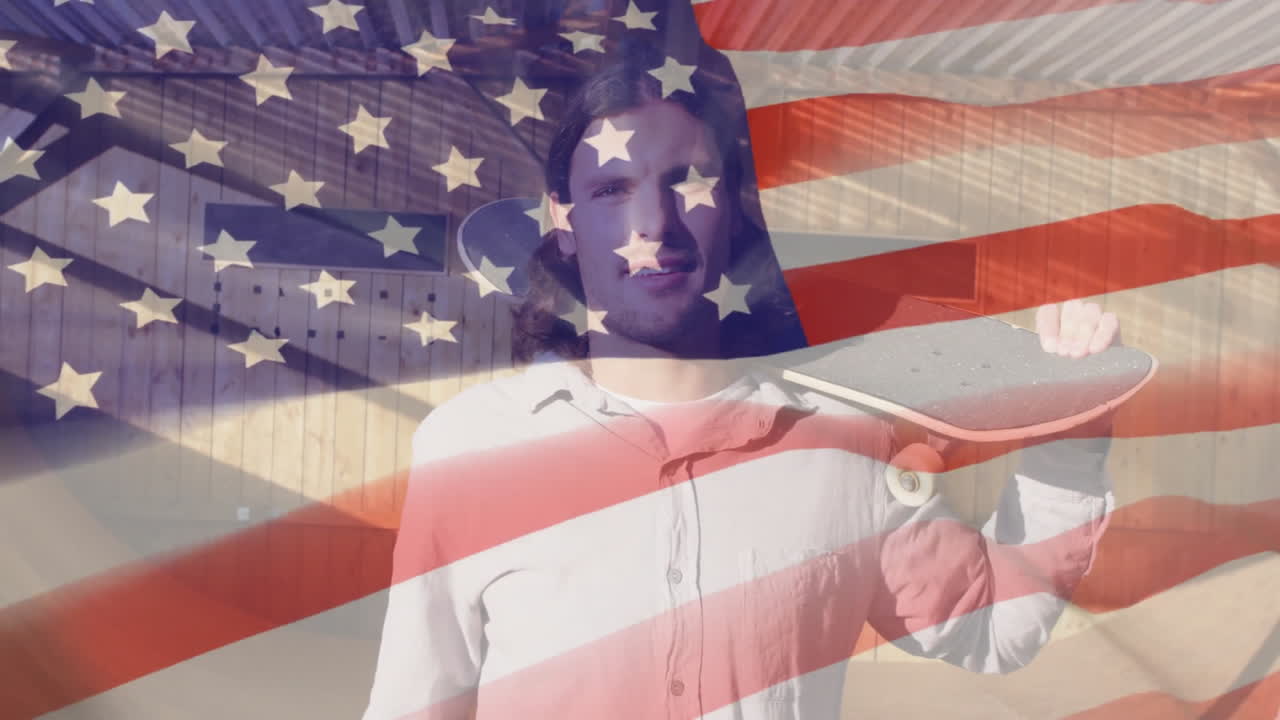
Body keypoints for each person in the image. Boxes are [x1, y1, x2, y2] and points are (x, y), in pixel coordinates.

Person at [362, 39, 1119, 720]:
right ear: (562, 216)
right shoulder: (471, 447)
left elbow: (993, 626)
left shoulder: (844, 448)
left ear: (733, 205)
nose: (651, 222)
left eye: (687, 180)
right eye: (612, 190)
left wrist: (1071, 433)